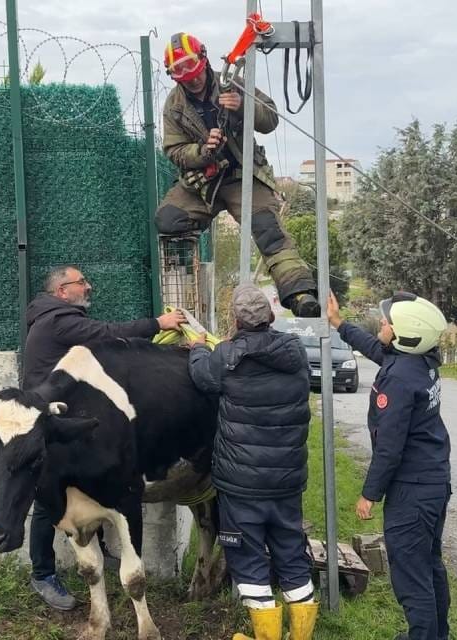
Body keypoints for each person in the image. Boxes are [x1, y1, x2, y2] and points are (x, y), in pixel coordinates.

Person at [19, 265, 186, 610]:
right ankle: (43, 574)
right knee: (48, 501)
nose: (88, 286)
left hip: (69, 420)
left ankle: (102, 551)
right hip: (50, 424)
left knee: (94, 488)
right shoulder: (58, 321)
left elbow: (112, 348)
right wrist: (159, 324)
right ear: (62, 290)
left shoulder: (55, 315)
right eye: (81, 282)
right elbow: (107, 334)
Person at [155, 31, 320, 319]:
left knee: (269, 231)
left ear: (204, 60)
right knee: (168, 220)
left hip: (242, 176)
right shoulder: (174, 106)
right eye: (181, 74)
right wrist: (202, 150)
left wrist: (243, 106)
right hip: (204, 183)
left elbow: (270, 120)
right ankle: (184, 284)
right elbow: (174, 150)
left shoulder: (233, 83)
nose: (191, 79)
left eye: (192, 70)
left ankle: (299, 293)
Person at [186, 285, 317, 640]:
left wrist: (198, 349)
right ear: (271, 316)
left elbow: (202, 377)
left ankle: (266, 637)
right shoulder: (295, 351)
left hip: (242, 486)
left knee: (248, 558)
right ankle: (301, 636)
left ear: (235, 320)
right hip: (287, 480)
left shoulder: (226, 356)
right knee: (291, 552)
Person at [328, 292, 452, 640]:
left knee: (411, 576)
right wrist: (339, 324)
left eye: (388, 321)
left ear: (404, 333)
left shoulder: (398, 379)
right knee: (429, 565)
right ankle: (437, 634)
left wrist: (369, 494)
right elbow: (376, 348)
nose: (382, 323)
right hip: (433, 483)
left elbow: (389, 448)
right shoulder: (420, 361)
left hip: (411, 491)